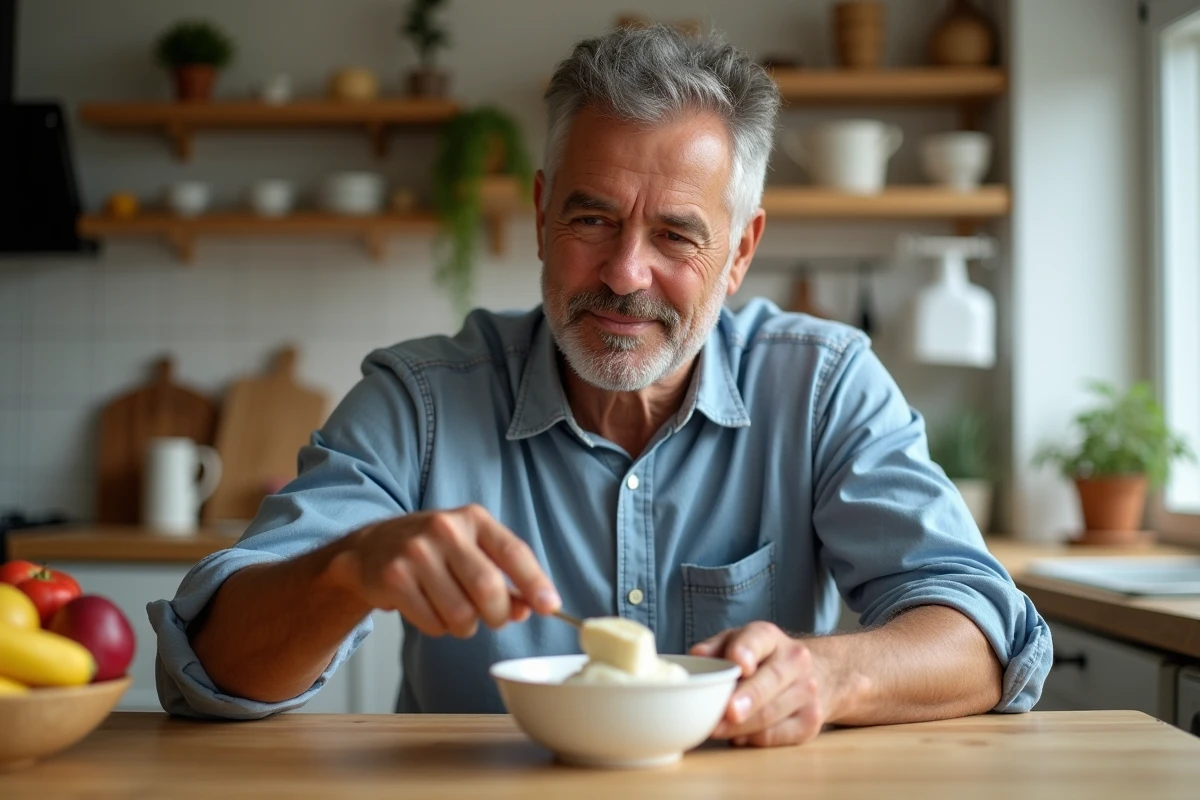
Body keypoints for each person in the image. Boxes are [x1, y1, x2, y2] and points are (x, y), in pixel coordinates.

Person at [149, 26, 1050, 748]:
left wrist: (828, 675)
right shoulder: (419, 398)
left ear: (740, 252)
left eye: (676, 235)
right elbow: (211, 671)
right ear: (541, 215)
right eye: (592, 218)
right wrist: (350, 566)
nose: (624, 274)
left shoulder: (822, 384)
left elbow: (982, 634)